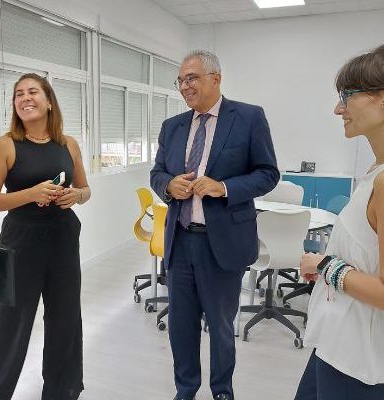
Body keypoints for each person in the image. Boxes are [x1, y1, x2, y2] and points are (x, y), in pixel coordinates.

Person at [150, 49, 279, 400]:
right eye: (180, 80)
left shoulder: (249, 118)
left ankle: (222, 390)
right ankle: (186, 390)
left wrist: (223, 188)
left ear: (216, 78)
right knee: (180, 326)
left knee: (221, 326)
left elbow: (268, 174)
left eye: (191, 78)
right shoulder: (172, 127)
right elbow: (157, 173)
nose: (184, 86)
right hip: (180, 241)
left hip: (222, 243)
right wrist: (168, 185)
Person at [0, 73, 90, 400]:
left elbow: (85, 189)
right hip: (21, 242)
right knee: (8, 324)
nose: (25, 98)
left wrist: (76, 196)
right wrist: (31, 193)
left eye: (33, 92)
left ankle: (62, 391)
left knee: (65, 320)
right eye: (19, 94)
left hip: (63, 238)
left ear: (49, 101)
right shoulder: (5, 145)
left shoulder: (68, 144)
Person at [295, 45, 384, 400]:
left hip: (356, 363)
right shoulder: (375, 171)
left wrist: (325, 266)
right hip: (335, 343)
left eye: (347, 96)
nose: (338, 109)